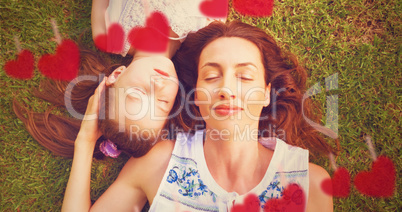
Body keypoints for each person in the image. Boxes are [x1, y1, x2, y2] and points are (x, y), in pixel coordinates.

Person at [63, 21, 337, 211]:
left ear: (266, 94)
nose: (227, 89)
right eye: (212, 76)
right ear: (195, 95)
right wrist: (85, 142)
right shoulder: (158, 164)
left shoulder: (310, 184)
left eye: (244, 76)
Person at [13, 0, 226, 158]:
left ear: (117, 75)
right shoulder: (207, 33)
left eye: (138, 93)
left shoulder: (106, 36)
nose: (158, 85)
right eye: (162, 103)